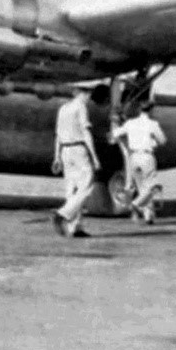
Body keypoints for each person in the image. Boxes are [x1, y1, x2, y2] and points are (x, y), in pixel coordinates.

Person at [51, 88, 100, 238]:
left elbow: (58, 135)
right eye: (87, 94)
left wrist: (57, 156)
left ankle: (75, 227)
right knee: (86, 185)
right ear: (81, 94)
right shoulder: (81, 107)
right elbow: (86, 133)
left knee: (71, 189)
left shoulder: (63, 108)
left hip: (65, 150)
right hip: (78, 149)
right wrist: (95, 156)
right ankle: (62, 214)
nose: (89, 97)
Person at [112, 102, 166, 224]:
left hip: (133, 156)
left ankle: (149, 215)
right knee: (153, 185)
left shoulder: (131, 123)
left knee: (142, 187)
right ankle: (136, 204)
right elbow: (162, 140)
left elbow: (115, 133)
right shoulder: (153, 124)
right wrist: (154, 141)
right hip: (146, 156)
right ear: (151, 111)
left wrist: (116, 121)